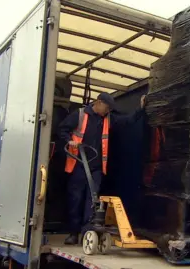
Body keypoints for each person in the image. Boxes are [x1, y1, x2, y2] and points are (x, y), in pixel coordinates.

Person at [58, 92, 146, 245]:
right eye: (107, 107)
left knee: (92, 201)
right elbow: (62, 129)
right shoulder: (79, 115)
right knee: (75, 199)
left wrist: (141, 108)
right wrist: (70, 141)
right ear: (98, 103)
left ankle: (87, 232)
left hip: (96, 167)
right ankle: (73, 232)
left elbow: (127, 121)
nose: (108, 111)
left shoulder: (108, 119)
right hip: (78, 164)